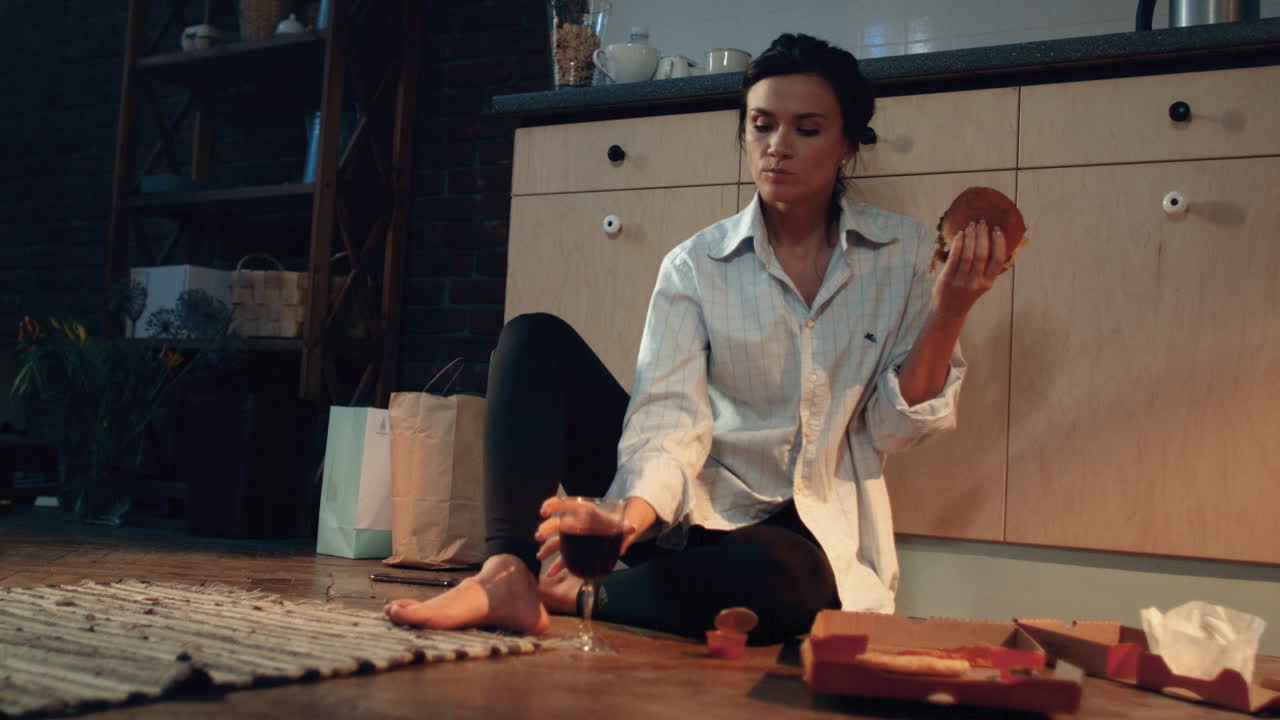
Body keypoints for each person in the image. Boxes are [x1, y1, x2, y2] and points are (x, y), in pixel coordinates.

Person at [385, 33, 1008, 644]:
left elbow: (894, 430)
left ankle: (580, 595)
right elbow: (667, 420)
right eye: (761, 125)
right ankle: (508, 573)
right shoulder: (696, 265)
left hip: (800, 536)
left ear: (846, 147)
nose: (778, 147)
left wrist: (950, 310)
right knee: (532, 341)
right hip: (679, 509)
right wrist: (628, 516)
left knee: (789, 581)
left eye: (807, 129)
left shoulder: (903, 255)